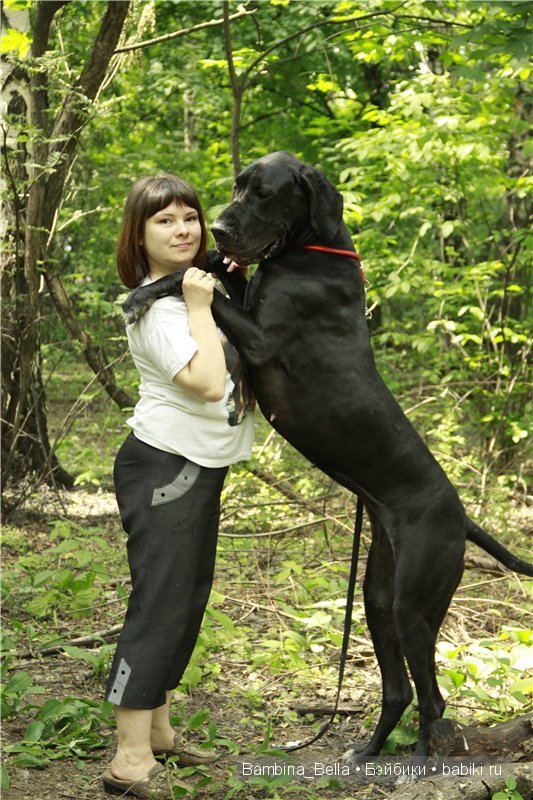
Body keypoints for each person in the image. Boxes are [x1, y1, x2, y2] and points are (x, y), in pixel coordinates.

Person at [102, 174, 254, 799]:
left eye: (189, 216)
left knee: (187, 599)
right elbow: (210, 384)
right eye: (164, 221)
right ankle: (129, 761)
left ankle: (159, 732)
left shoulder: (201, 289)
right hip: (165, 466)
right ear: (139, 236)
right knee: (159, 605)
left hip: (197, 465)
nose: (183, 229)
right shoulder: (157, 307)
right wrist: (198, 306)